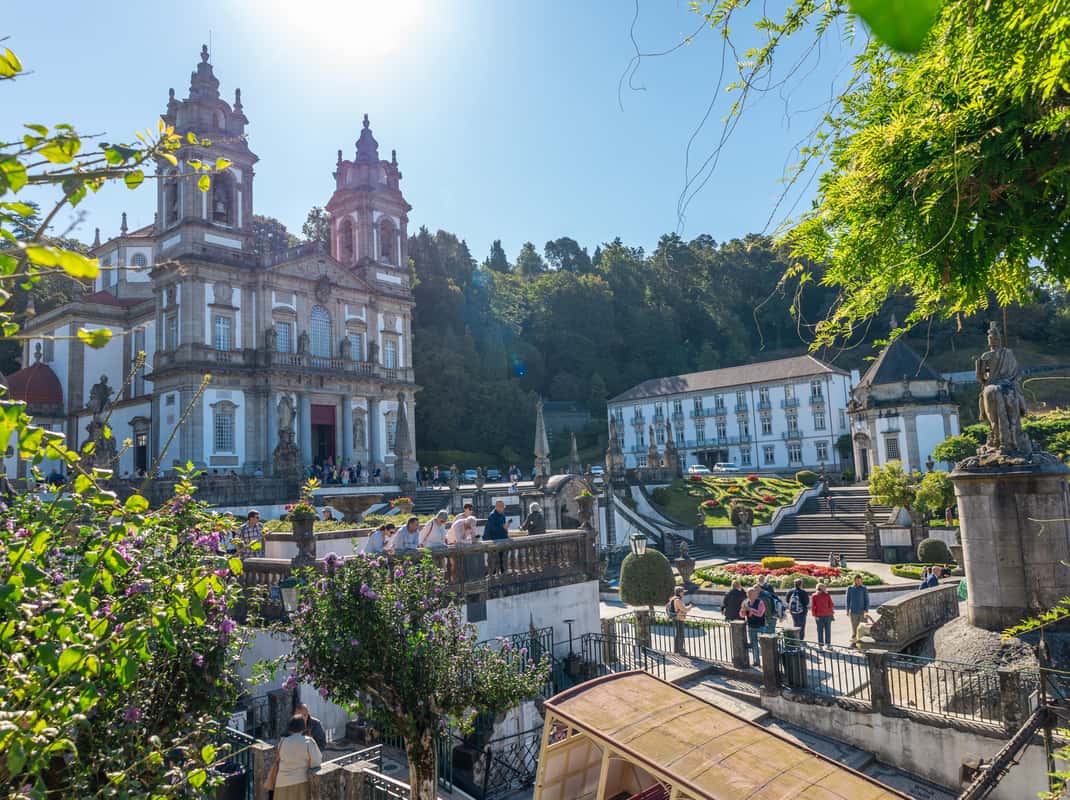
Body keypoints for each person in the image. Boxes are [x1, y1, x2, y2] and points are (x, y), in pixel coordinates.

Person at [273, 714, 323, 800]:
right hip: (300, 781)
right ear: (303, 727)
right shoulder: (308, 741)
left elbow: (279, 758)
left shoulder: (282, 741)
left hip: (281, 781)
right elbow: (316, 761)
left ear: (290, 727)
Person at [740, 586, 766, 665]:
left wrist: (750, 609)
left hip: (760, 626)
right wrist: (743, 611)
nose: (750, 595)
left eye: (752, 594)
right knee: (754, 645)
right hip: (751, 626)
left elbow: (760, 614)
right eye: (749, 594)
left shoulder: (760, 602)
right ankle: (756, 661)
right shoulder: (745, 602)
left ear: (756, 594)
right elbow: (741, 615)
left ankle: (766, 662)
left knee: (763, 645)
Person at [845, 574, 871, 644]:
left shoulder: (864, 588)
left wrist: (866, 611)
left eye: (860, 581)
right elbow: (848, 600)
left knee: (863, 628)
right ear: (854, 581)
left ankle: (864, 643)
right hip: (853, 612)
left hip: (862, 612)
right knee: (854, 628)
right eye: (857, 581)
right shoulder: (850, 588)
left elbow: (867, 600)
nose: (859, 582)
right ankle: (854, 643)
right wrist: (847, 610)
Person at [667, 586, 692, 655]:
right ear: (679, 592)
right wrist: (690, 606)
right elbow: (684, 609)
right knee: (681, 635)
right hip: (679, 618)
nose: (683, 593)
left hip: (676, 618)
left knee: (678, 634)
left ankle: (677, 650)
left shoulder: (673, 598)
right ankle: (680, 650)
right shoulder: (678, 600)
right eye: (682, 592)